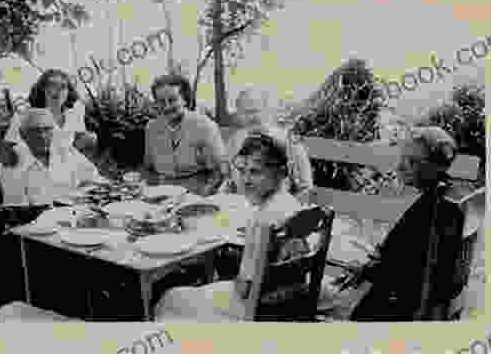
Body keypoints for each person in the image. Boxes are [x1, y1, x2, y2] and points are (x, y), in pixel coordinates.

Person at [154, 130, 314, 321]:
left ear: (280, 173)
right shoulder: (291, 204)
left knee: (171, 299)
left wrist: (227, 281)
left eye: (255, 172)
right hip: (290, 298)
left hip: (256, 308)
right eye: (242, 171)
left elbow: (244, 288)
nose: (245, 180)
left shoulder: (262, 220)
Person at [343, 126, 466, 321]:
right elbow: (406, 255)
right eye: (402, 159)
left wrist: (365, 270)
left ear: (434, 166)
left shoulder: (436, 210)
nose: (400, 167)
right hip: (412, 299)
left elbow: (403, 271)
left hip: (400, 309)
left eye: (411, 162)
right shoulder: (445, 197)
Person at [220, 86, 314, 198]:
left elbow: (306, 187)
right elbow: (225, 180)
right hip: (243, 207)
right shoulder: (235, 141)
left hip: (280, 208)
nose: (250, 118)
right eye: (244, 113)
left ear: (266, 110)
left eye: (254, 111)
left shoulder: (289, 141)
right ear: (239, 115)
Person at [0, 69, 98, 173]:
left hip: (62, 169)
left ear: (69, 92)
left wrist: (86, 140)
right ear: (42, 88)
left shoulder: (73, 115)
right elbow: (5, 148)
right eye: (52, 85)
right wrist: (11, 156)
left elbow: (76, 145)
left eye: (63, 86)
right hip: (30, 169)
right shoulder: (25, 112)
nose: (58, 90)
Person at [0, 108, 105, 205]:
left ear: (53, 131)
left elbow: (95, 178)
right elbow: (17, 209)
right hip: (39, 221)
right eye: (35, 131)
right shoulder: (12, 161)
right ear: (22, 134)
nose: (42, 136)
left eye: (47, 129)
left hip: (78, 213)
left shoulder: (66, 151)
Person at [143, 74, 227, 196]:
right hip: (163, 194)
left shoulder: (204, 126)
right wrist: (151, 194)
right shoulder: (152, 128)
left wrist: (202, 197)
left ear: (185, 100)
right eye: (161, 101)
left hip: (197, 192)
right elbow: (149, 168)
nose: (166, 107)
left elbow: (219, 173)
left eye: (172, 100)